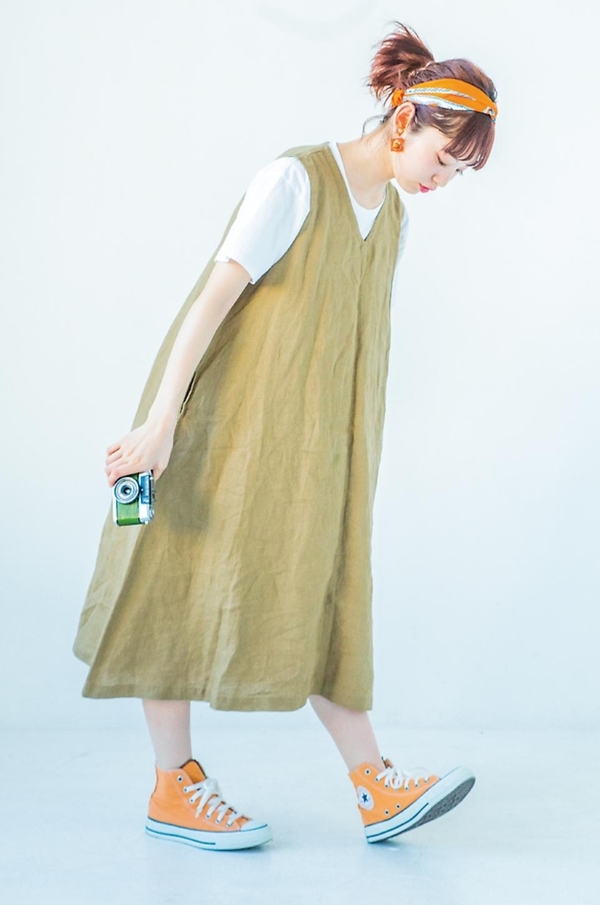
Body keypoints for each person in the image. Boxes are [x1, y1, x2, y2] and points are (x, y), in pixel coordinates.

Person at [72, 21, 498, 852]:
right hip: (216, 428)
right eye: (445, 159)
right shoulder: (296, 180)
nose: (443, 180)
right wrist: (161, 422)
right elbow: (211, 301)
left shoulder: (392, 218)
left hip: (306, 451)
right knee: (170, 580)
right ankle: (174, 786)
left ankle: (373, 782)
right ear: (404, 121)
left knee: (326, 587)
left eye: (458, 173)